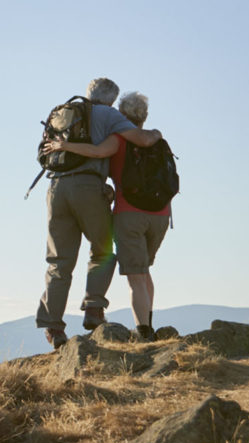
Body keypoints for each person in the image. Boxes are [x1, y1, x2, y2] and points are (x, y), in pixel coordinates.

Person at [35, 78, 163, 349]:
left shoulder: (63, 112)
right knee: (103, 247)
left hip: (56, 188)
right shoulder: (109, 115)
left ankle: (54, 327)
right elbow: (140, 138)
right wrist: (156, 134)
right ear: (112, 99)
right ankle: (94, 308)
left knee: (58, 261)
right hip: (88, 186)